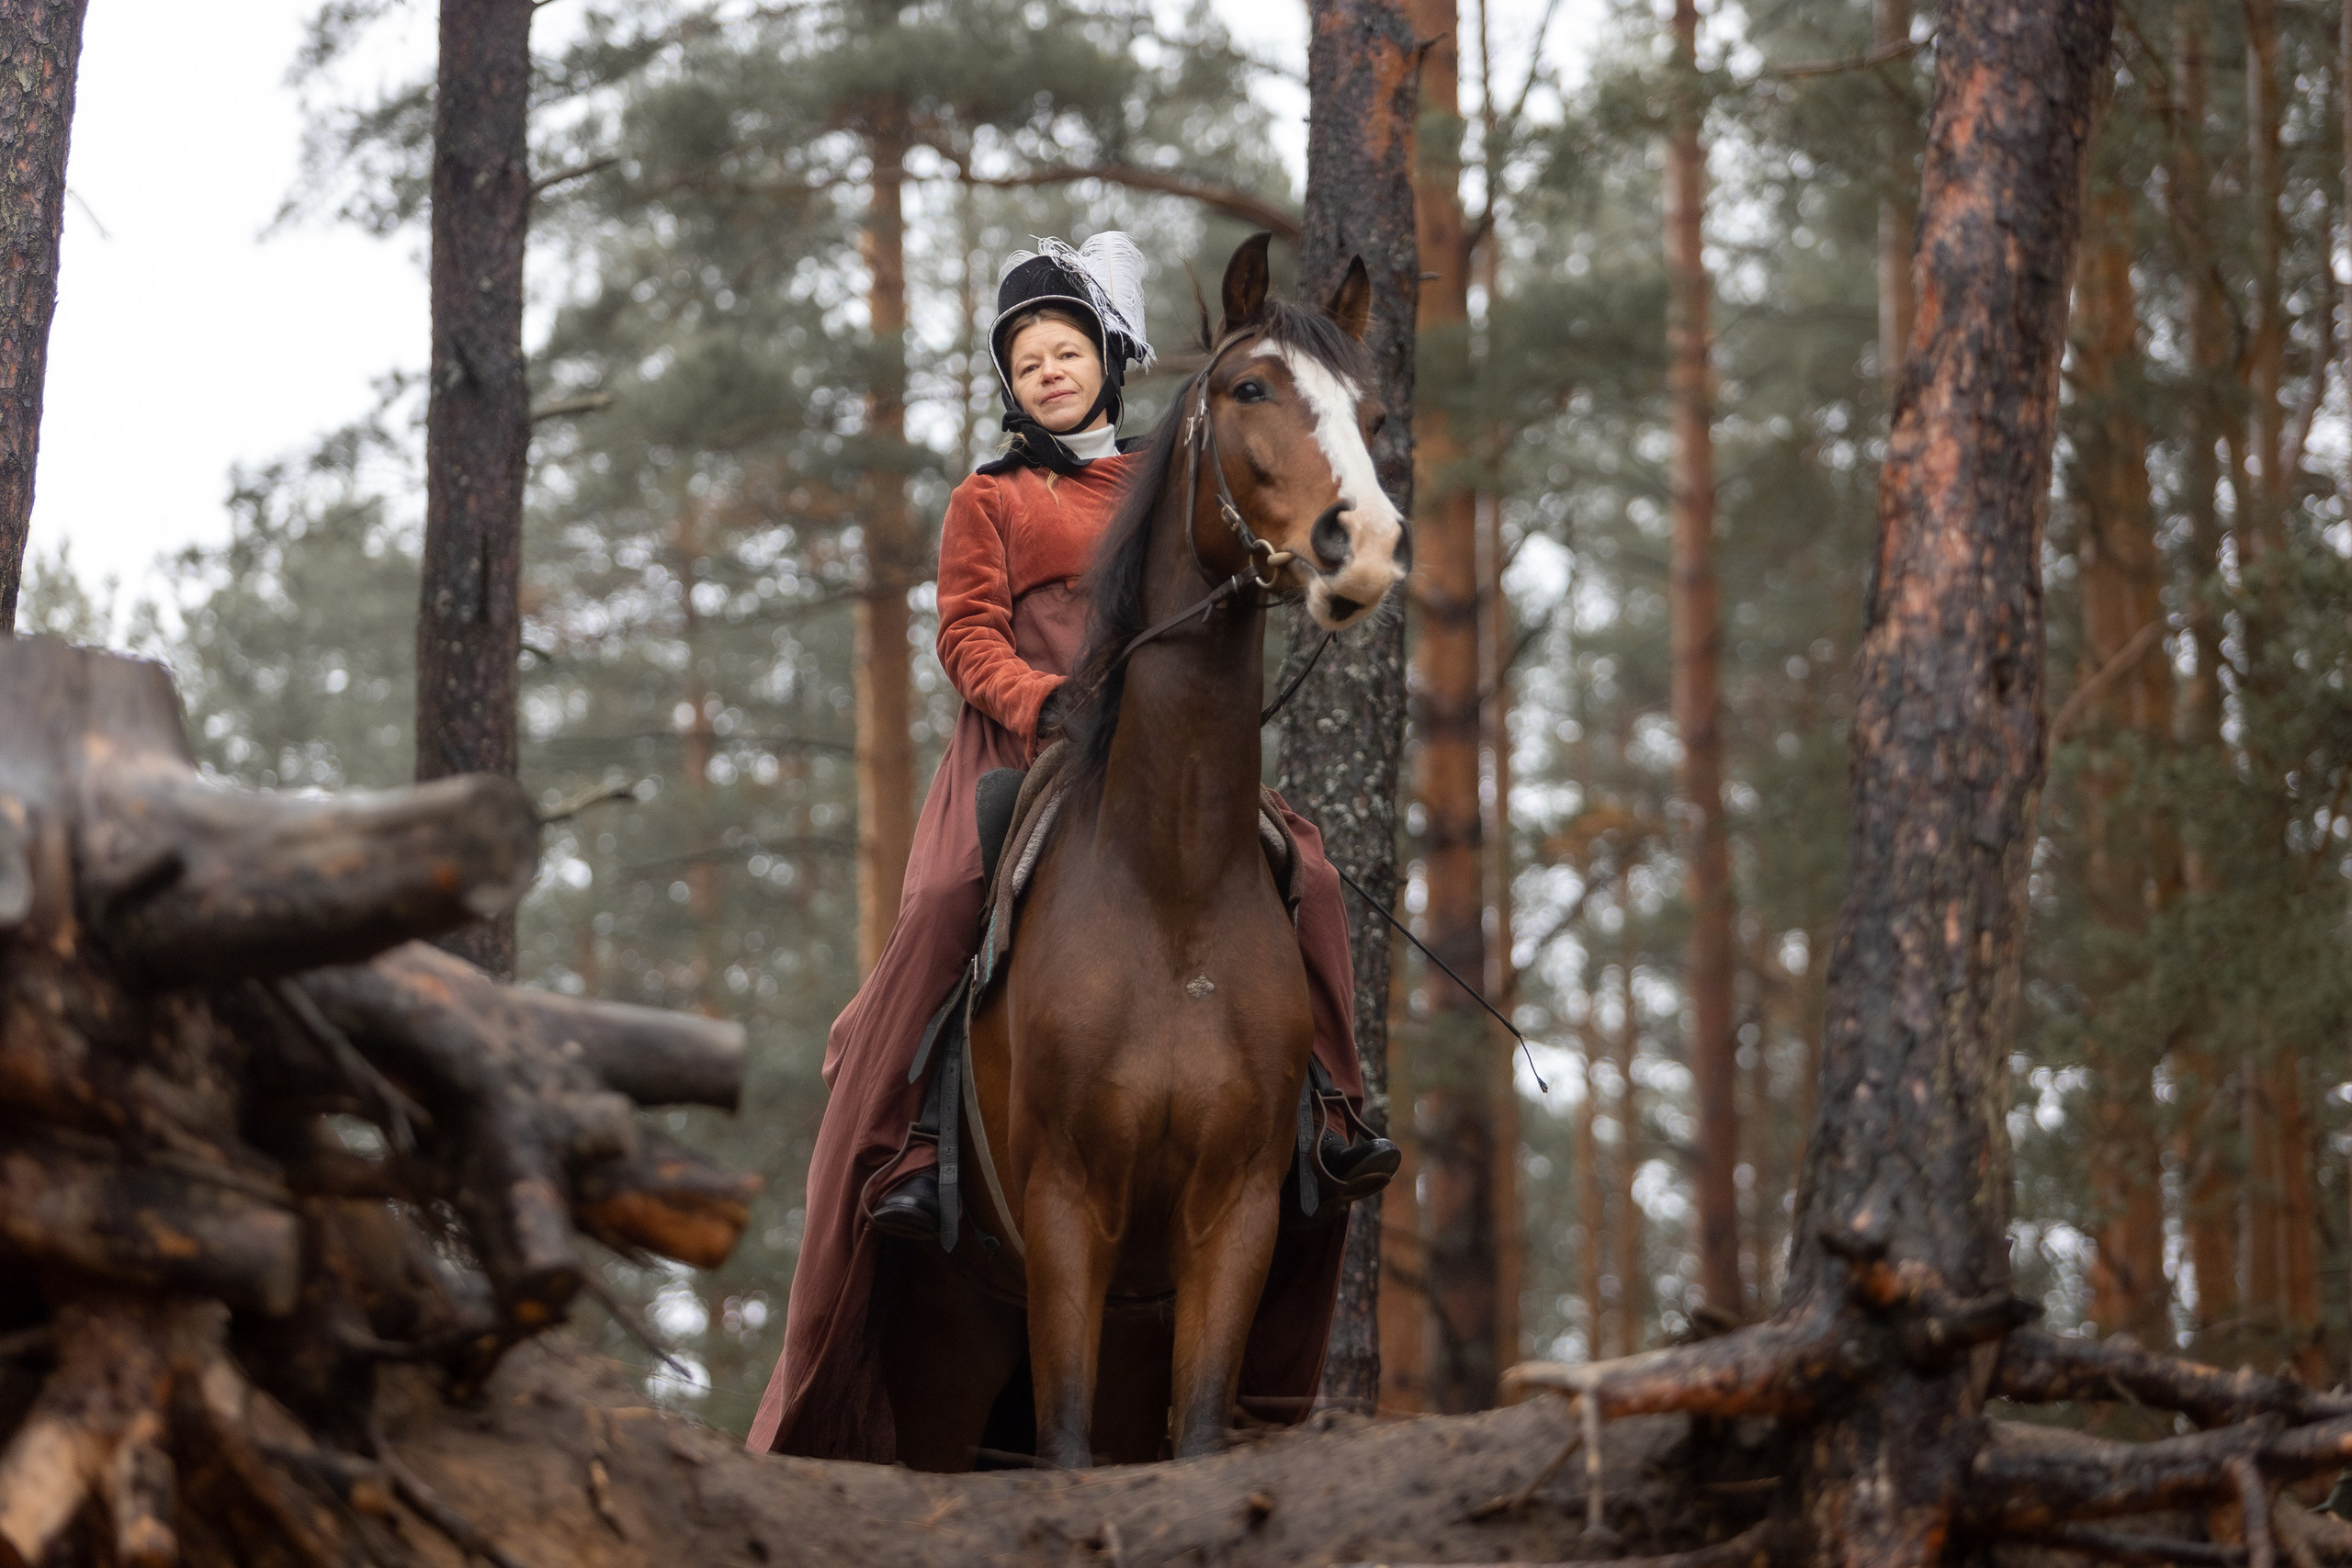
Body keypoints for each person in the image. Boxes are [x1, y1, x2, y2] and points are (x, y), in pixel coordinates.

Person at [746, 234, 1396, 1461]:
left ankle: (1332, 1110)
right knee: (948, 894)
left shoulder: (1163, 470)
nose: (1046, 372)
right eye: (1025, 358)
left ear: (1108, 361)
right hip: (1026, 745)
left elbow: (1238, 537)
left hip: (1162, 751)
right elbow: (964, 634)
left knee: (1303, 869)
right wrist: (1047, 704)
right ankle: (909, 1144)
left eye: (1065, 351)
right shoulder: (990, 498)